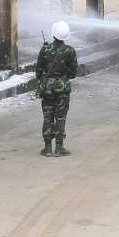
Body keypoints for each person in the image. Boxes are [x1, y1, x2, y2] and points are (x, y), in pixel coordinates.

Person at [36, 21, 84, 156]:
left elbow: (38, 71)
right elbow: (73, 72)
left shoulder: (44, 50)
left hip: (47, 89)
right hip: (63, 89)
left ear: (53, 34)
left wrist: (46, 78)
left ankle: (47, 148)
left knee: (47, 117)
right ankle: (59, 147)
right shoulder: (70, 50)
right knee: (60, 117)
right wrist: (63, 77)